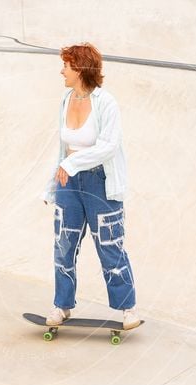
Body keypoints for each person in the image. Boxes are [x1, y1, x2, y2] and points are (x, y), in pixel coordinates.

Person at [42, 42, 139, 329]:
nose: (62, 71)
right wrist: (52, 184)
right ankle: (62, 305)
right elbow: (62, 150)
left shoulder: (106, 102)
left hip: (100, 182)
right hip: (68, 183)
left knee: (110, 244)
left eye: (66, 66)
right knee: (64, 244)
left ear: (80, 68)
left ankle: (127, 308)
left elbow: (109, 146)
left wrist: (72, 165)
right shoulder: (65, 99)